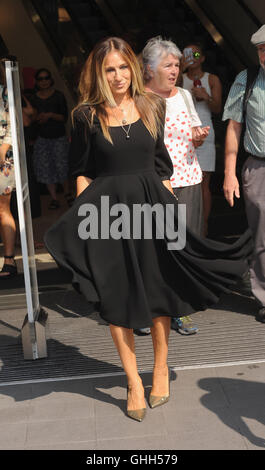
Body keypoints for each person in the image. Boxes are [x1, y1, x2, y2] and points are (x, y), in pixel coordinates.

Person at [44, 37, 251, 422]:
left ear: (134, 69)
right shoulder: (85, 116)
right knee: (115, 298)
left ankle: (159, 368)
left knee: (158, 293)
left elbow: (162, 167)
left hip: (154, 209)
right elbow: (82, 173)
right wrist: (85, 225)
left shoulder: (152, 105)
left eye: (124, 67)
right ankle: (132, 381)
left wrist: (172, 218)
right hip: (106, 216)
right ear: (99, 73)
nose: (119, 76)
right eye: (110, 69)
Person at [142, 36, 209, 335]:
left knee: (180, 246)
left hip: (189, 178)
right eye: (167, 65)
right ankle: (147, 310)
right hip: (155, 183)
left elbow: (194, 130)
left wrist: (199, 136)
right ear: (149, 68)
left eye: (176, 65)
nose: (174, 70)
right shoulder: (140, 99)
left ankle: (178, 309)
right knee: (153, 248)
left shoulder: (182, 94)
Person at [223, 24, 265, 324]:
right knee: (262, 235)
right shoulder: (246, 79)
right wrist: (229, 172)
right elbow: (234, 127)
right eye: (261, 49)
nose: (264, 54)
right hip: (258, 165)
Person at [182, 42, 222, 236]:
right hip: (183, 134)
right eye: (188, 54)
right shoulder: (179, 78)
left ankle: (202, 227)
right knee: (185, 182)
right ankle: (186, 226)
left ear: (203, 58)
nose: (192, 58)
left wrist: (205, 95)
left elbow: (218, 109)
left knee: (204, 182)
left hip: (205, 130)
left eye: (196, 55)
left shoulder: (211, 78)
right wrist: (181, 66)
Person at [30, 68, 73, 209]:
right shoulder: (33, 98)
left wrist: (50, 115)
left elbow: (64, 117)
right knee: (46, 169)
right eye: (40, 79)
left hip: (59, 138)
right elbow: (29, 118)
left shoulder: (58, 96)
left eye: (46, 78)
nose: (44, 81)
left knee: (62, 167)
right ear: (36, 81)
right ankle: (54, 198)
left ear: (51, 79)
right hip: (42, 139)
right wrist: (38, 118)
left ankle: (67, 193)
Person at [0, 59, 17, 278]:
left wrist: (3, 148)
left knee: (3, 208)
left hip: (2, 156)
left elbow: (15, 122)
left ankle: (10, 260)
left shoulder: (4, 92)